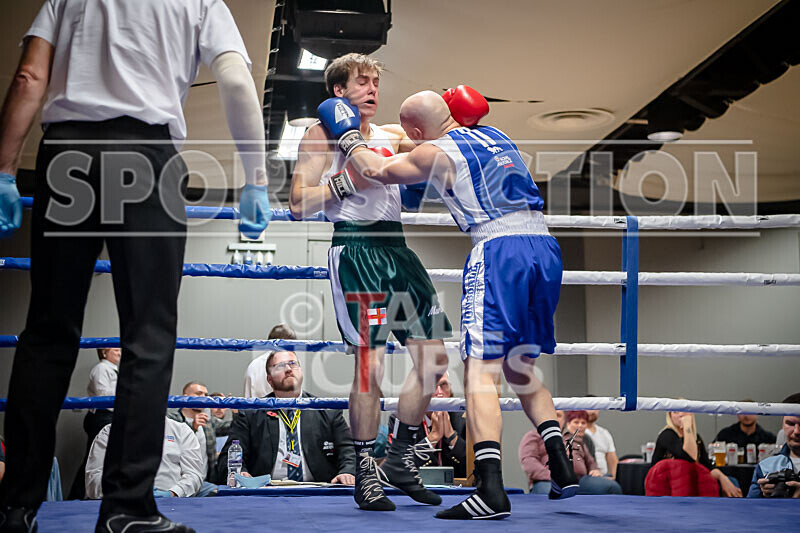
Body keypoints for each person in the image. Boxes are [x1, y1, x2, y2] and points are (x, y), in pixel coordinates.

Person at [0, 1, 270, 531]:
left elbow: (31, 74)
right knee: (147, 336)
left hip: (68, 157)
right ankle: (126, 508)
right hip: (145, 158)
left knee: (48, 332)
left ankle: (14, 505)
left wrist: (5, 166)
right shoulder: (198, 2)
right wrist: (256, 178)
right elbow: (236, 81)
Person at [317, 87, 578, 520]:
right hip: (545, 249)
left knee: (481, 370)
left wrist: (348, 136)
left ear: (416, 131)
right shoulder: (497, 136)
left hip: (499, 250)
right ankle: (563, 468)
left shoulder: (435, 150)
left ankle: (490, 490)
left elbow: (377, 170)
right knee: (521, 366)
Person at [289, 54, 451, 512]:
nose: (373, 89)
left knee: (434, 358)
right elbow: (298, 204)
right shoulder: (320, 135)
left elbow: (443, 144)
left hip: (398, 251)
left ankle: (399, 459)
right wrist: (344, 185)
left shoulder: (394, 137)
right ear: (339, 91)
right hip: (356, 250)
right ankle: (365, 473)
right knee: (369, 365)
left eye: (376, 82)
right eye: (363, 82)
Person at [217, 350, 356, 485]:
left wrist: (347, 472)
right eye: (280, 366)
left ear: (301, 371)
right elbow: (228, 458)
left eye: (293, 363)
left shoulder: (326, 410)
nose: (289, 369)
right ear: (269, 379)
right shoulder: (250, 414)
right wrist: (240, 472)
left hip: (319, 491)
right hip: (265, 493)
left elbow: (348, 450)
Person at [86, 418, 204, 500]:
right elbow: (93, 479)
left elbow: (194, 474)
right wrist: (125, 492)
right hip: (121, 505)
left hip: (172, 504)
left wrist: (174, 493)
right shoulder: (110, 432)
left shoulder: (181, 431)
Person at [520, 410, 621, 495]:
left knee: (612, 487)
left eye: (558, 415)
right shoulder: (533, 436)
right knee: (552, 495)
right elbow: (529, 461)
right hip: (548, 480)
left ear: (564, 420)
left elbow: (589, 460)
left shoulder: (573, 437)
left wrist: (594, 469)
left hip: (580, 480)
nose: (554, 418)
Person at [387, 372, 467, 477]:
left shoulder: (464, 418)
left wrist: (451, 436)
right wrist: (432, 438)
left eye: (444, 385)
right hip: (416, 487)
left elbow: (473, 468)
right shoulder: (402, 419)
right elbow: (396, 467)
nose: (439, 393)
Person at [68, 348, 121, 500]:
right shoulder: (101, 368)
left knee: (103, 458)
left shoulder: (114, 370)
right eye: (116, 349)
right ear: (104, 352)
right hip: (102, 416)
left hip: (110, 416)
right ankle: (77, 497)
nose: (119, 352)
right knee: (94, 458)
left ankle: (85, 495)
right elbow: (104, 396)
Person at [652, 411, 742, 497]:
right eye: (676, 412)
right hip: (668, 485)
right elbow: (690, 457)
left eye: (684, 411)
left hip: (691, 481)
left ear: (691, 414)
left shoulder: (696, 438)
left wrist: (722, 477)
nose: (681, 414)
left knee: (732, 482)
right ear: (670, 416)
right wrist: (687, 425)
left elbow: (707, 467)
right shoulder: (667, 435)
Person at [167, 382, 219, 493]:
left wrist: (235, 410)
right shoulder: (172, 421)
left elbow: (231, 426)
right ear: (185, 397)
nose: (204, 398)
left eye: (206, 394)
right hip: (176, 483)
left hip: (204, 482)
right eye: (199, 393)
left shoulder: (209, 422)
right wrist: (193, 428)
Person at [747, 393, 800, 498]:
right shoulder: (766, 467)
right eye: (790, 424)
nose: (797, 431)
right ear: (782, 425)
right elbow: (750, 510)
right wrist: (763, 496)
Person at [244, 323, 298, 398]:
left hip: (256, 408)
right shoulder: (290, 366)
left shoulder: (253, 365)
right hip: (280, 407)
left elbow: (247, 399)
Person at [584, 405, 619, 478]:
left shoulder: (604, 433)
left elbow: (613, 460)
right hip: (586, 476)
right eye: (589, 408)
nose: (592, 412)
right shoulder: (578, 433)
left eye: (595, 409)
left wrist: (615, 478)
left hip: (603, 475)